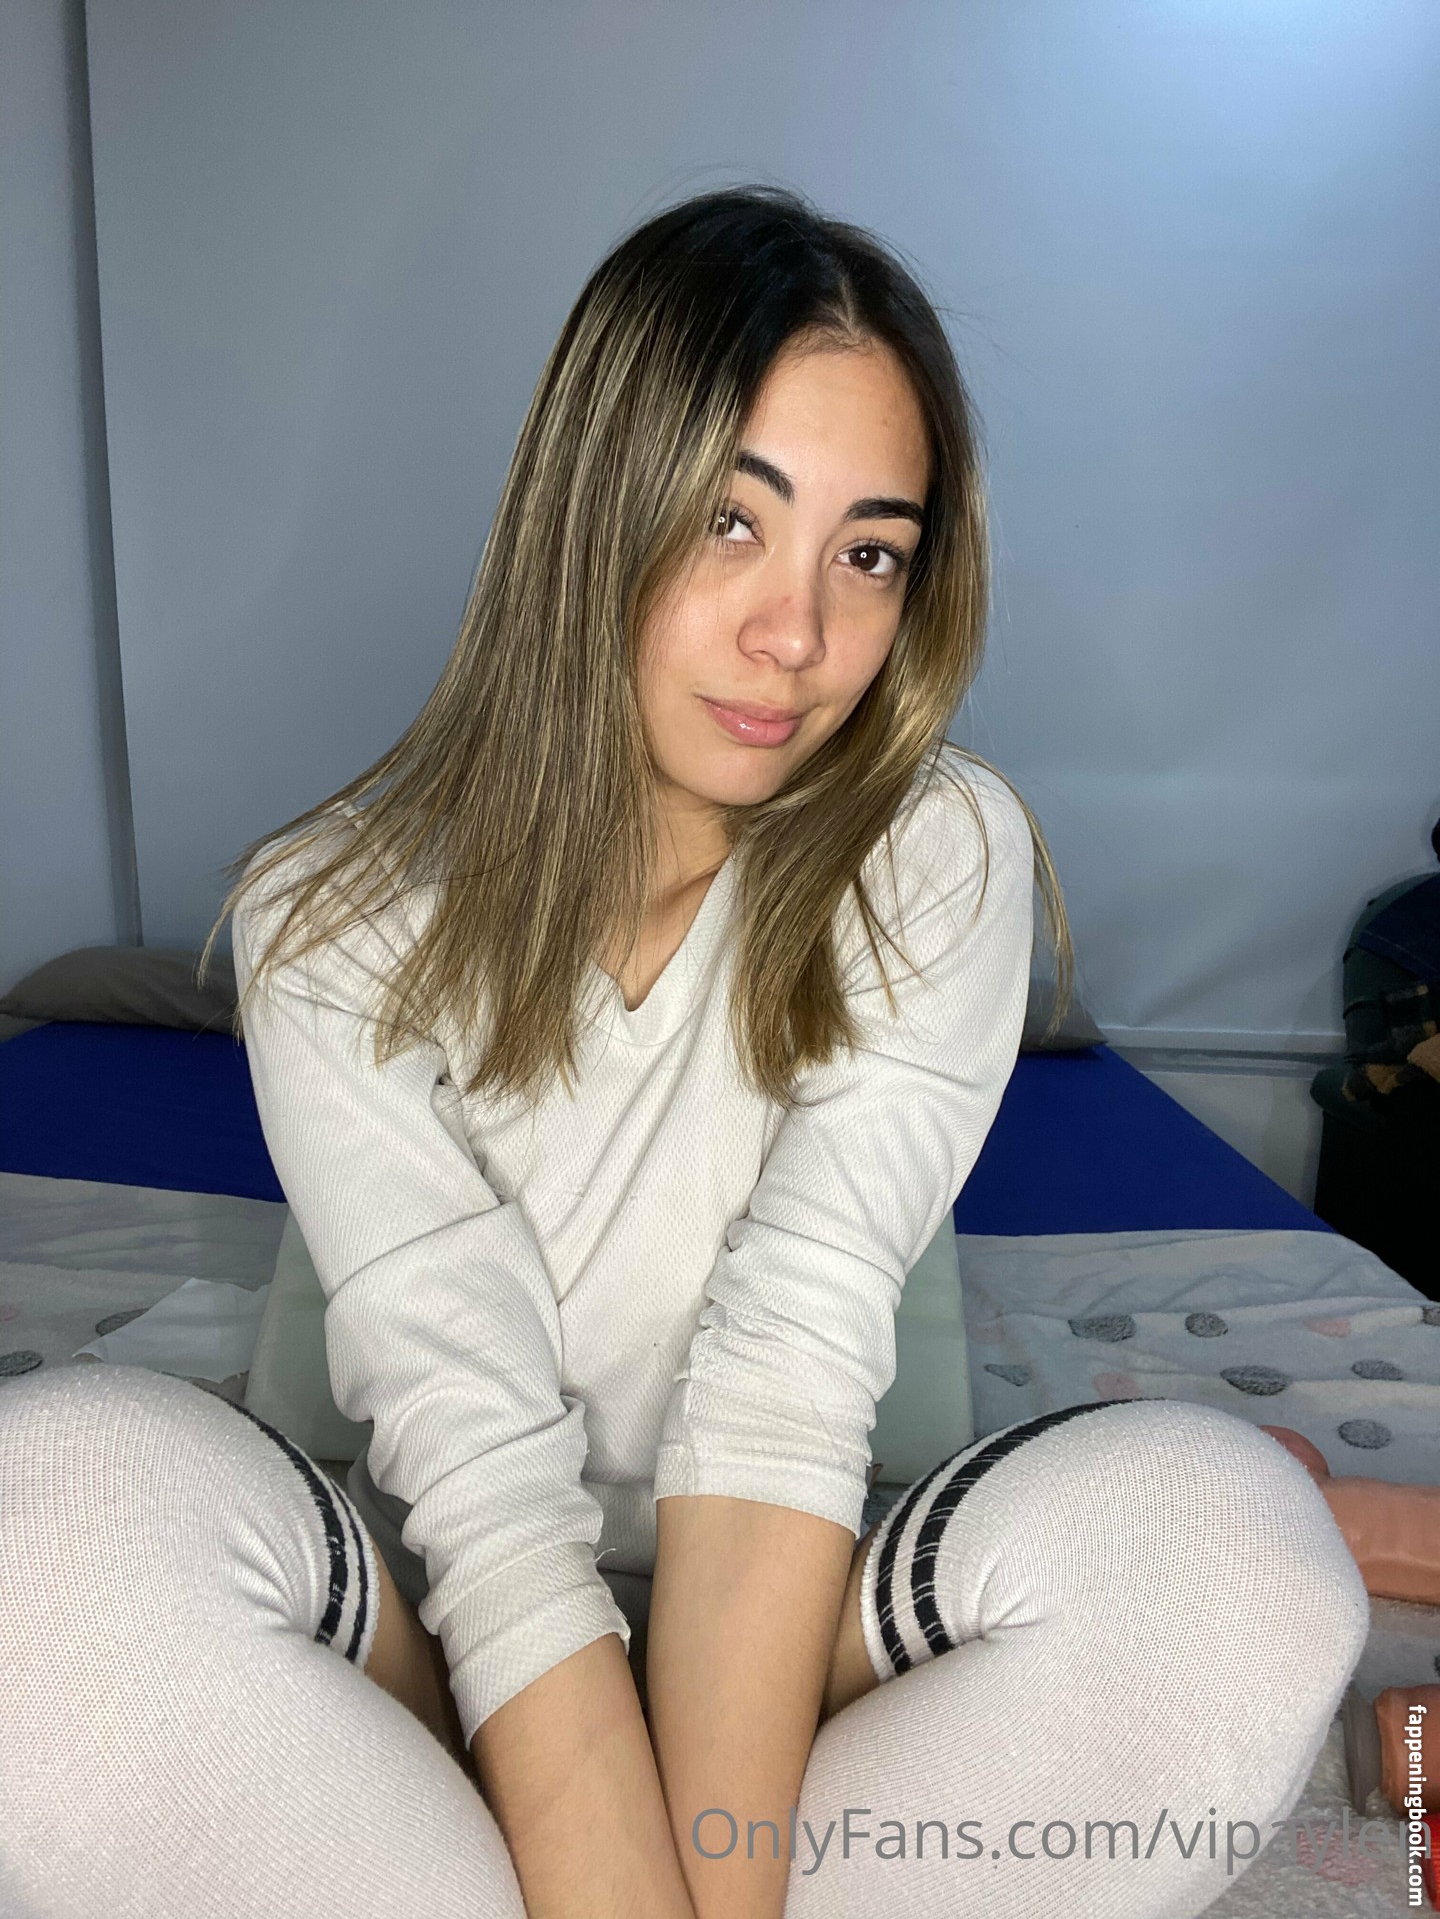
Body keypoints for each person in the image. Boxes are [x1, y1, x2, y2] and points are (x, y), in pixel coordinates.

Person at [0, 185, 1368, 1919]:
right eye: (732, 521)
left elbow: (787, 1370)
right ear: (591, 511)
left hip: (808, 1605)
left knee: (1240, 1555)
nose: (797, 638)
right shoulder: (326, 916)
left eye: (869, 554)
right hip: (433, 1626)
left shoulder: (933, 853)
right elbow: (476, 1465)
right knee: (40, 1510)